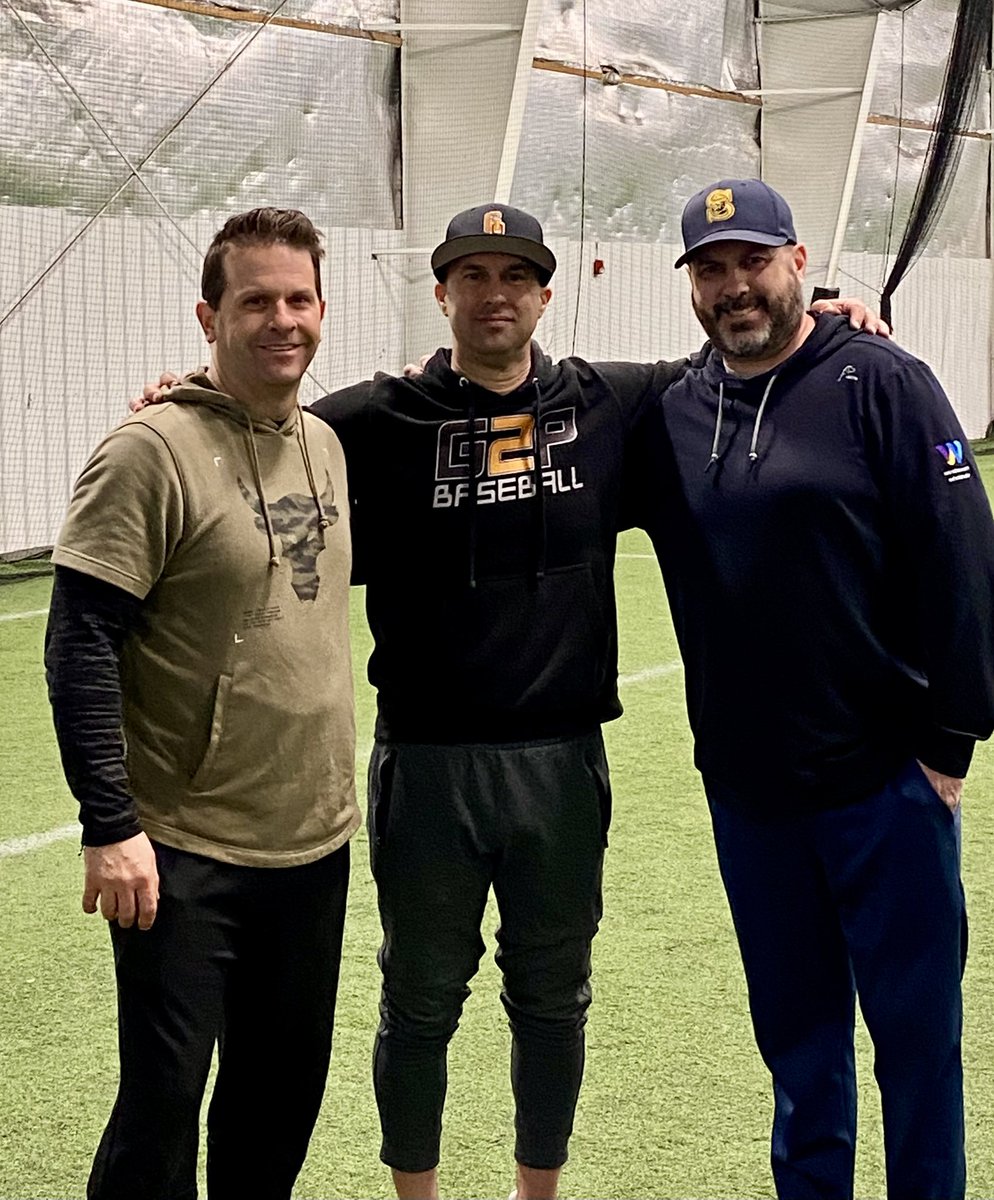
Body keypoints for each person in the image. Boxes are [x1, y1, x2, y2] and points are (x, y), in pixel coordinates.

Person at [137, 202, 882, 1200]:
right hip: (429, 767)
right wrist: (177, 394)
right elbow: (258, 420)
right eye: (473, 277)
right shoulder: (368, 421)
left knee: (553, 1003)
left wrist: (831, 312)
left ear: (545, 292)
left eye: (516, 276)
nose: (496, 295)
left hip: (563, 765)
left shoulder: (614, 403)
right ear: (441, 293)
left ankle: (539, 1193)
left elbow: (743, 355)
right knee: (418, 1004)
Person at [635, 177, 994, 1200]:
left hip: (886, 787)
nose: (733, 286)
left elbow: (962, 564)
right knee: (799, 1054)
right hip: (751, 801)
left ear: (797, 262)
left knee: (918, 1050)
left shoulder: (883, 381)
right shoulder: (673, 407)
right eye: (710, 269)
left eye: (752, 260)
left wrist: (946, 745)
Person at [45, 208, 359, 1200]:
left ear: (321, 310)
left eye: (298, 299)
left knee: (277, 1104)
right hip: (183, 849)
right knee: (161, 1115)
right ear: (208, 315)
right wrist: (110, 826)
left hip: (313, 842)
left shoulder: (325, 442)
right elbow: (79, 639)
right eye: (255, 300)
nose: (282, 320)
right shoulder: (149, 452)